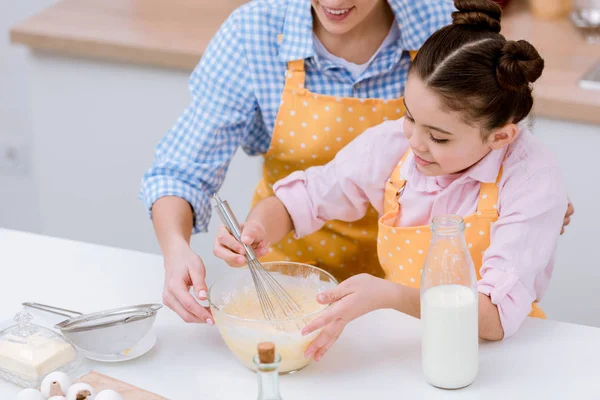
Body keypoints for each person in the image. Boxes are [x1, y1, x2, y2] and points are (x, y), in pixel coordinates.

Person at [140, 0, 574, 325]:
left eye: (438, 136)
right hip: (318, 287)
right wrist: (251, 230)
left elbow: (503, 122)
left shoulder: (447, 27)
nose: (416, 145)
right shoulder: (393, 142)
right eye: (407, 115)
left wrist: (533, 201)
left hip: (423, 318)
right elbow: (300, 196)